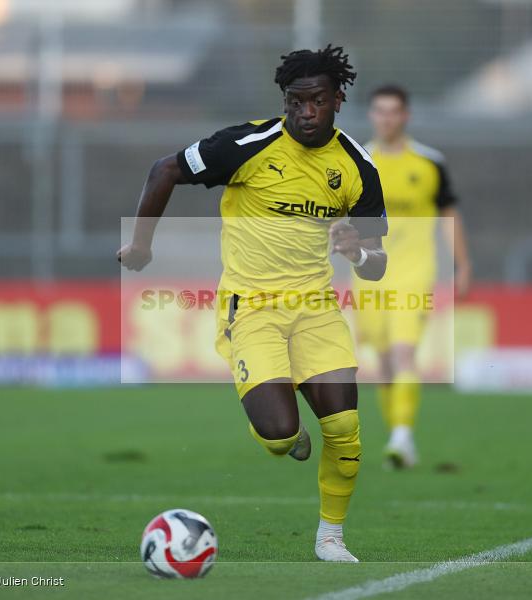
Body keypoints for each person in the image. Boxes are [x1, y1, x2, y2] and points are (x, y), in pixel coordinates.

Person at [118, 45, 388, 562]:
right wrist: (142, 244)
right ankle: (286, 433)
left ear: (338, 99)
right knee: (279, 434)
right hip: (253, 308)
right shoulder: (246, 143)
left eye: (317, 102)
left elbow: (377, 261)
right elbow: (164, 170)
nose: (305, 113)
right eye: (295, 102)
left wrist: (360, 253)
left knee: (346, 429)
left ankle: (330, 537)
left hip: (316, 309)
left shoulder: (357, 166)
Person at [354, 84, 472, 469]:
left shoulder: (428, 162)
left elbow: (449, 215)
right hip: (370, 273)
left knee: (405, 352)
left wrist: (462, 264)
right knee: (384, 363)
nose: (386, 118)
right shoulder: (357, 160)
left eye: (393, 111)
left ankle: (402, 436)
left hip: (415, 271)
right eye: (379, 111)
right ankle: (400, 439)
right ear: (371, 115)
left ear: (406, 116)